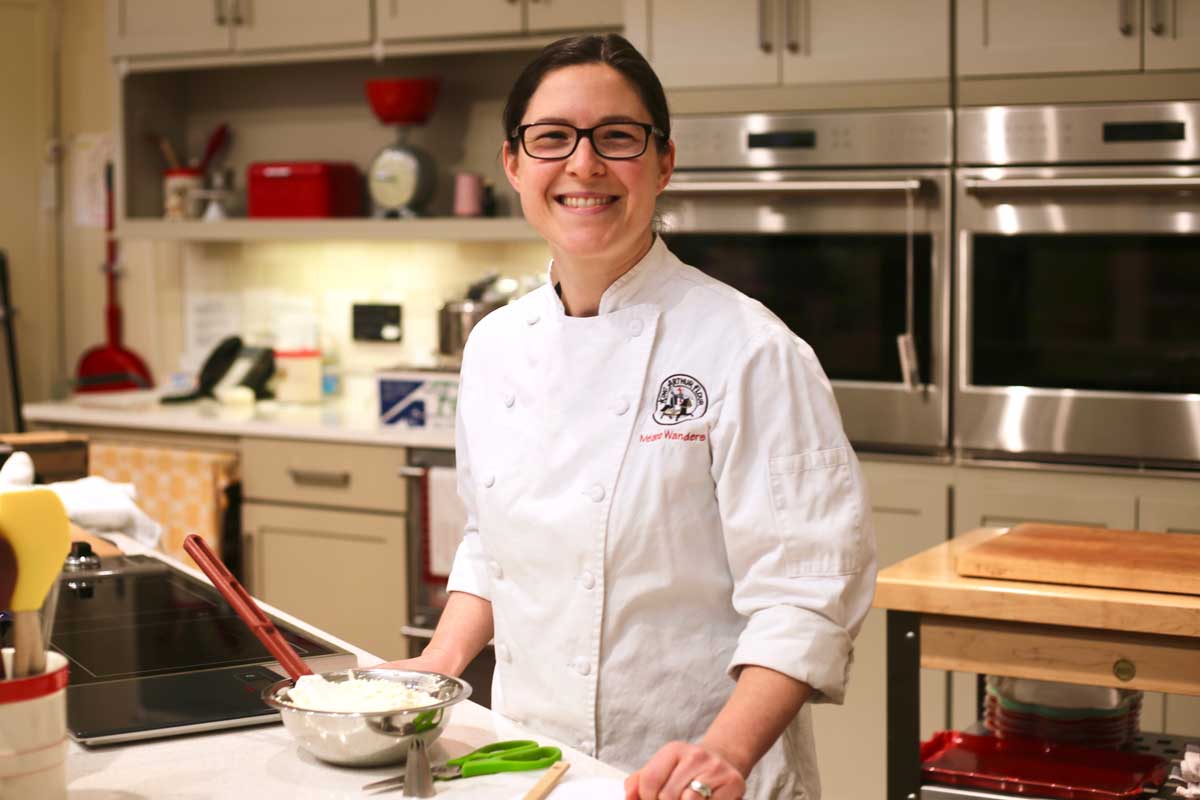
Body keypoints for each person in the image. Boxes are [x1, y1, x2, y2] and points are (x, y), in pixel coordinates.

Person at [386, 33, 876, 800]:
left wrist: (724, 754)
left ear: (663, 162)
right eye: (552, 139)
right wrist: (441, 664)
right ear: (513, 164)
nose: (583, 165)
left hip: (698, 774)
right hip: (530, 762)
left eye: (617, 137)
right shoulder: (495, 345)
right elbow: (491, 539)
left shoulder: (748, 350)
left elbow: (807, 593)